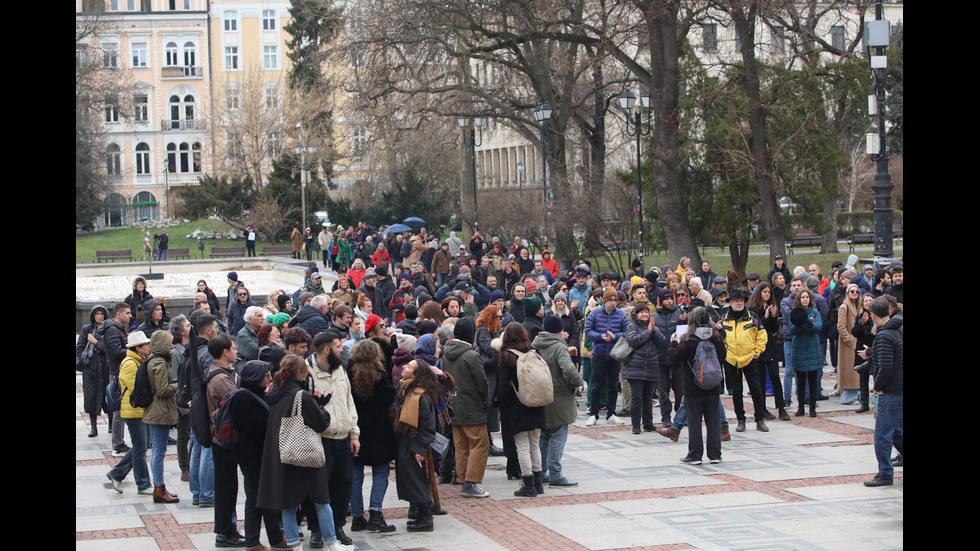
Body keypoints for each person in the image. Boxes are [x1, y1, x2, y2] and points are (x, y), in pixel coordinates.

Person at [257, 355, 354, 551]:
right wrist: (321, 405)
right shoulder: (302, 396)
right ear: (301, 373)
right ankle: (331, 543)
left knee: (289, 504)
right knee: (321, 501)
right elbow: (321, 422)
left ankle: (294, 544)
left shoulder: (275, 395)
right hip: (307, 456)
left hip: (285, 456)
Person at [306, 331, 360, 547]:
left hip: (343, 436)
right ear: (326, 349)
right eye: (338, 346)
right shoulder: (306, 371)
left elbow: (349, 402)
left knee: (344, 483)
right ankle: (316, 529)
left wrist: (354, 433)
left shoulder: (341, 370)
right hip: (320, 438)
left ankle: (337, 525)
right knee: (318, 486)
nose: (342, 350)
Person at [348, 340, 397, 533]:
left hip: (356, 431)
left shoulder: (348, 374)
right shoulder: (381, 377)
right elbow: (388, 402)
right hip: (379, 431)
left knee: (355, 475)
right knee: (380, 473)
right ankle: (375, 513)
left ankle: (357, 517)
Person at [669, 307, 727, 465]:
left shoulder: (688, 339)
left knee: (694, 422)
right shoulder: (715, 337)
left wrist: (673, 342)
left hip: (693, 387)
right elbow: (723, 356)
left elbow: (674, 358)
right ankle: (715, 454)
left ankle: (695, 455)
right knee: (714, 422)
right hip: (714, 386)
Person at [442, 317, 491, 498]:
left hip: (454, 404)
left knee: (461, 444)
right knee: (480, 443)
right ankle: (471, 482)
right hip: (471, 404)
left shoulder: (446, 354)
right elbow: (482, 383)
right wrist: (484, 400)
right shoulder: (471, 355)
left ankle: (462, 477)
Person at [496, 322, 546, 497]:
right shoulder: (535, 351)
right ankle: (538, 483)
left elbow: (503, 387)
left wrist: (502, 406)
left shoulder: (508, 355)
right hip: (537, 403)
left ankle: (528, 484)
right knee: (535, 444)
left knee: (522, 446)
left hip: (517, 406)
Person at [532, 314, 583, 487]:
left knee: (544, 436)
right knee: (557, 436)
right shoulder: (559, 346)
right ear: (560, 330)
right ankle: (555, 475)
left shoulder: (537, 344)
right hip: (559, 396)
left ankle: (541, 472)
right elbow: (567, 368)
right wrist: (578, 382)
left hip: (542, 396)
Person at [206, 333, 246, 547]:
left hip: (220, 438)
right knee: (226, 487)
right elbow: (238, 404)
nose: (236, 351)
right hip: (223, 439)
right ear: (224, 352)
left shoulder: (220, 372)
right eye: (233, 348)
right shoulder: (221, 378)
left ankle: (228, 529)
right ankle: (225, 532)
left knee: (228, 485)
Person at [392, 358, 441, 531]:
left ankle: (426, 519)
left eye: (409, 367)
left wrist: (420, 449)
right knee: (411, 479)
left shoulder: (420, 394)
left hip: (415, 444)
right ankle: (420, 516)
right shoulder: (404, 388)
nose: (405, 367)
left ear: (416, 374)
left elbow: (428, 425)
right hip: (406, 441)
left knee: (417, 480)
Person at [862, 297, 903, 487]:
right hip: (898, 389)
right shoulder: (895, 330)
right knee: (894, 431)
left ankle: (885, 473)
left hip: (891, 391)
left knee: (882, 435)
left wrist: (878, 386)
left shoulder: (885, 335)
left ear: (873, 315)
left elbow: (886, 367)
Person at [105, 331, 152, 496]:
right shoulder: (130, 363)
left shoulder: (139, 361)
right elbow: (136, 389)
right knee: (140, 448)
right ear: (138, 348)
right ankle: (143, 484)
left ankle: (117, 473)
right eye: (146, 344)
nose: (148, 346)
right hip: (133, 411)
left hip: (140, 410)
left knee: (142, 446)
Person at [720, 288, 769, 432]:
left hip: (750, 358)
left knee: (756, 389)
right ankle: (740, 419)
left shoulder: (752, 317)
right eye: (737, 301)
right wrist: (726, 353)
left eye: (741, 300)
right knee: (736, 391)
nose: (740, 303)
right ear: (730, 303)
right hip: (731, 359)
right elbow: (719, 338)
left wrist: (757, 352)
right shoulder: (724, 319)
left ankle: (759, 419)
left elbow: (761, 336)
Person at [142, 330, 180, 503]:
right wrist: (179, 385)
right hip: (159, 410)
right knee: (158, 450)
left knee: (159, 450)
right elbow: (162, 390)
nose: (171, 345)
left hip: (158, 409)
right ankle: (159, 488)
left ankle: (160, 487)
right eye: (169, 342)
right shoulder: (158, 361)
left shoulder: (158, 359)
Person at [585, 287, 629, 426]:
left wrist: (615, 336)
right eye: (610, 300)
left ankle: (611, 413)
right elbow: (588, 331)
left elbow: (627, 332)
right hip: (599, 353)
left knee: (613, 385)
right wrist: (601, 337)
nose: (613, 303)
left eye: (615, 300)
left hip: (615, 355)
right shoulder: (595, 313)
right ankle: (593, 413)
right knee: (596, 385)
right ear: (604, 300)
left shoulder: (621, 315)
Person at [622, 303, 668, 434]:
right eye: (641, 312)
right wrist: (648, 332)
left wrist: (653, 330)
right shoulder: (632, 326)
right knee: (636, 397)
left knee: (648, 398)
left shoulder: (653, 326)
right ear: (636, 314)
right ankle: (635, 425)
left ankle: (648, 423)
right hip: (635, 367)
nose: (644, 314)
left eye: (646, 312)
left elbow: (663, 342)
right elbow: (633, 341)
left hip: (651, 366)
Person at [747, 282, 790, 421]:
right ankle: (762, 408)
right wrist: (765, 317)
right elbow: (755, 328)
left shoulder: (771, 307)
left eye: (769, 292)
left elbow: (774, 329)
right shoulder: (752, 309)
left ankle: (781, 408)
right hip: (758, 347)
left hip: (770, 346)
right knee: (760, 380)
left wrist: (772, 316)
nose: (767, 294)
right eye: (764, 292)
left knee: (775, 378)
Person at [789, 290, 822, 418]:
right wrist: (800, 323)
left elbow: (818, 327)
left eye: (807, 297)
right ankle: (801, 406)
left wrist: (809, 322)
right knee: (800, 380)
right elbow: (793, 330)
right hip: (799, 348)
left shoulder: (815, 312)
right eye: (802, 297)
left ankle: (812, 408)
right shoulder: (795, 313)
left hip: (813, 348)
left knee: (813, 380)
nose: (805, 299)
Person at [78, 305, 108, 437]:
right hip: (91, 370)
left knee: (108, 397)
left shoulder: (109, 329)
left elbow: (109, 349)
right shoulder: (87, 329)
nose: (100, 316)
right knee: (91, 398)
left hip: (105, 369)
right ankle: (93, 427)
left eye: (102, 314)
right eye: (97, 314)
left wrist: (95, 342)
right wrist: (87, 363)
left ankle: (111, 425)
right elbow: (79, 349)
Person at [836, 284, 863, 405]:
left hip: (857, 341)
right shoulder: (844, 307)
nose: (854, 293)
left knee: (856, 369)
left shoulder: (859, 308)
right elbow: (841, 326)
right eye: (852, 291)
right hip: (848, 343)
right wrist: (849, 339)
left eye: (857, 291)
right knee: (848, 370)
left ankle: (854, 394)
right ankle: (848, 396)